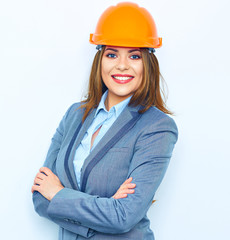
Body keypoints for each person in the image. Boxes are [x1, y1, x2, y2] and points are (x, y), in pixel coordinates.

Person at [31, 2, 178, 240]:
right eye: (112, 54)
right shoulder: (74, 115)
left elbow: (124, 216)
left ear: (148, 64)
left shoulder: (157, 127)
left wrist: (57, 193)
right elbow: (39, 198)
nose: (122, 65)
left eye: (134, 55)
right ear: (100, 60)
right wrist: (106, 207)